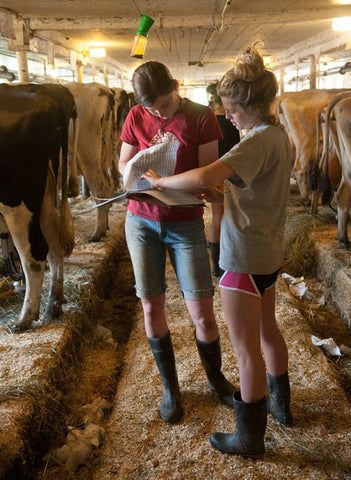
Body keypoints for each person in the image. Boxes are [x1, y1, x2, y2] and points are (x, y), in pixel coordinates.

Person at [143, 47, 293, 457]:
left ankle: (249, 438)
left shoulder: (253, 142)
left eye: (231, 110)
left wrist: (163, 181)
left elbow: (209, 171)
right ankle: (282, 406)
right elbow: (250, 189)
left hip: (241, 256)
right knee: (268, 331)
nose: (228, 117)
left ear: (248, 105)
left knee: (245, 351)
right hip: (268, 251)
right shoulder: (278, 136)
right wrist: (214, 195)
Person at [119, 61, 235, 424]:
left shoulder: (201, 117)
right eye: (151, 107)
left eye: (164, 105)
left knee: (201, 309)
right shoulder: (136, 116)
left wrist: (167, 182)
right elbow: (122, 164)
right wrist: (137, 170)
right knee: (151, 306)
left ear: (176, 86)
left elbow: (207, 180)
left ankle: (216, 378)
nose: (158, 112)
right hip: (141, 221)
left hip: (185, 223)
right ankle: (171, 388)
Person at [206, 83, 240, 277]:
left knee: (216, 218)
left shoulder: (207, 119)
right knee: (228, 218)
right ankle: (226, 262)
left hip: (212, 172)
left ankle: (216, 267)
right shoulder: (231, 121)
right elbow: (236, 148)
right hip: (229, 173)